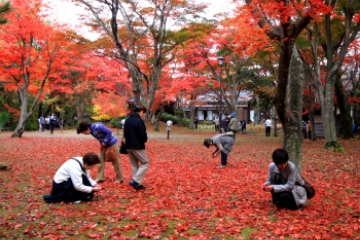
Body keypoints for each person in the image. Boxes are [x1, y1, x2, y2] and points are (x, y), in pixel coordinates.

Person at [123, 105, 149, 190]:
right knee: (145, 162)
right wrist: (144, 139)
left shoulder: (127, 120)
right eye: (143, 113)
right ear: (141, 112)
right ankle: (135, 180)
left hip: (128, 145)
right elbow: (142, 134)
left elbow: (125, 133)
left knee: (135, 164)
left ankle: (137, 184)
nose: (143, 115)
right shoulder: (139, 121)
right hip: (137, 145)